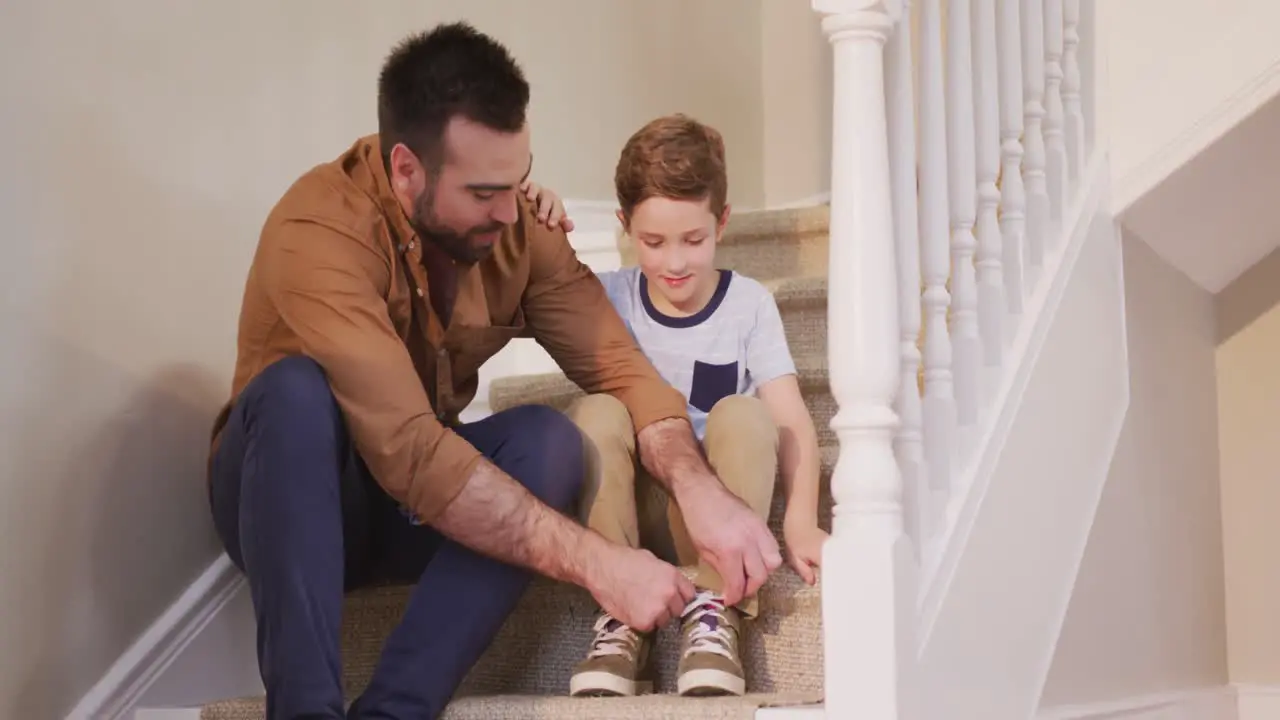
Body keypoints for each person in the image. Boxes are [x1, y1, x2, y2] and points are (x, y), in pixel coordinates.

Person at [206, 23, 782, 720]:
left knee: (548, 440)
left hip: (407, 509)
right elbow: (413, 452)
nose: (511, 211)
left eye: (519, 179)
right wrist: (601, 564)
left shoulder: (518, 227)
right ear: (405, 170)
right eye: (484, 191)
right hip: (294, 497)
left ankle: (396, 710)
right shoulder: (319, 230)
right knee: (295, 393)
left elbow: (623, 371)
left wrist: (699, 490)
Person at [527, 114, 828, 698]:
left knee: (744, 413)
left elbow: (792, 422)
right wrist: (532, 218)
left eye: (694, 240)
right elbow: (517, 292)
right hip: (633, 515)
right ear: (623, 227)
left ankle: (716, 614)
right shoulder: (608, 298)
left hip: (717, 520)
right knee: (596, 412)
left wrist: (801, 520)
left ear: (722, 221)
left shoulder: (749, 305)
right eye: (653, 241)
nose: (674, 263)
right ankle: (622, 617)